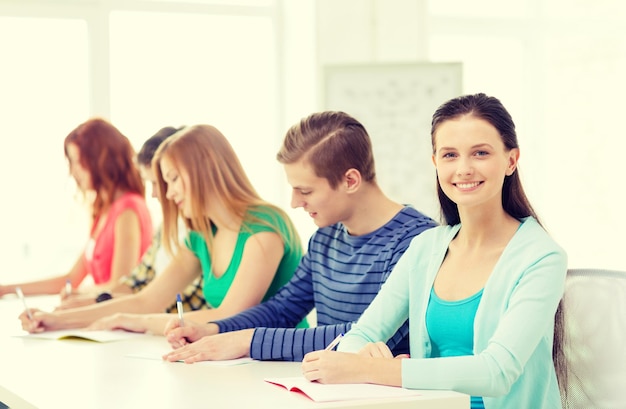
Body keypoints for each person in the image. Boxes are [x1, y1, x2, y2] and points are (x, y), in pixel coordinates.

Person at [300, 94, 568, 409]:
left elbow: (497, 372)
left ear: (511, 160)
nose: (464, 169)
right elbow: (363, 333)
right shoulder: (426, 247)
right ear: (435, 163)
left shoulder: (542, 257)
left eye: (480, 153)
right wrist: (361, 354)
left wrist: (376, 369)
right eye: (450, 155)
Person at [160, 111, 438, 363]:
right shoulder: (325, 239)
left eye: (305, 192)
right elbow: (283, 309)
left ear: (350, 181)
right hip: (333, 387)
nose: (294, 202)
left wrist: (248, 340)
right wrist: (213, 329)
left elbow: (372, 334)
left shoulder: (415, 241)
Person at [20, 124, 303, 334]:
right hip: (234, 363)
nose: (168, 195)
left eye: (174, 179)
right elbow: (147, 300)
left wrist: (132, 322)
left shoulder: (264, 226)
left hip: (283, 368)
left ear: (203, 170)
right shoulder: (201, 236)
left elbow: (229, 317)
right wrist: (56, 320)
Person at [56, 126, 206, 314]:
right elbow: (137, 284)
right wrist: (90, 302)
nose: (154, 193)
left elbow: (145, 296)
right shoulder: (165, 227)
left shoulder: (128, 208)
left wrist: (93, 305)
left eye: (165, 180)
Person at [0, 118, 153, 298]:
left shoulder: (128, 209)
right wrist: (7, 289)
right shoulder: (104, 212)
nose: (73, 172)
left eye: (78, 161)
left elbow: (120, 286)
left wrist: (78, 294)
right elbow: (70, 279)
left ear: (100, 160)